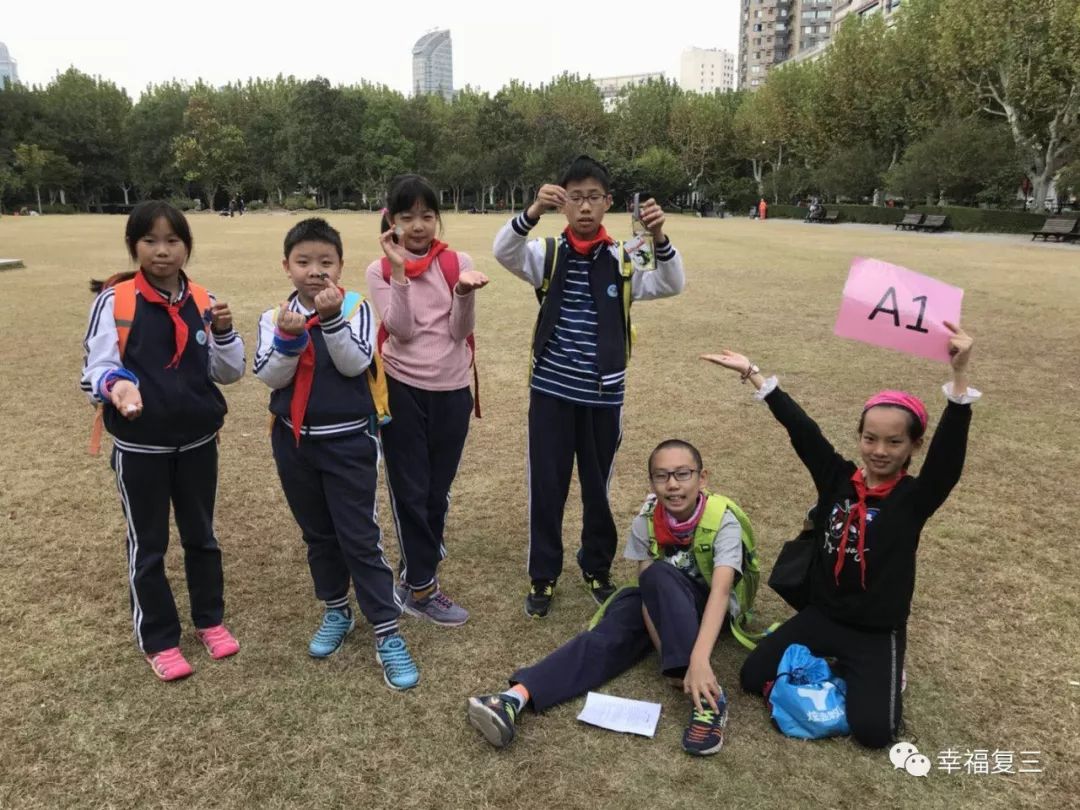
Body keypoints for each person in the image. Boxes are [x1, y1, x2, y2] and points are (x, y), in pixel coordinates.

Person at [699, 321, 977, 748]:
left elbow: (949, 459)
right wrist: (753, 372)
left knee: (874, 733)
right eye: (870, 438)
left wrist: (959, 378)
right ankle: (832, 661)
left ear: (914, 447)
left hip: (875, 630)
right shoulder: (837, 479)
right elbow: (803, 431)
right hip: (823, 615)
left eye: (894, 442)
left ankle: (883, 669)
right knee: (752, 677)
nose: (879, 451)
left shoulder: (915, 497)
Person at [493, 154, 685, 618]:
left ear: (608, 203)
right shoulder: (547, 253)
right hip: (551, 395)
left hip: (603, 397)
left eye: (593, 198)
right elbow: (504, 252)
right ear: (563, 203)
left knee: (597, 487)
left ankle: (596, 568)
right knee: (547, 486)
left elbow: (670, 282)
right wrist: (532, 211)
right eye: (575, 198)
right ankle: (543, 576)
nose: (584, 207)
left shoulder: (625, 255)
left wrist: (658, 236)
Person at [467, 439, 743, 756]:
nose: (672, 485)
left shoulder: (722, 519)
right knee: (607, 634)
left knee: (658, 575)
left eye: (683, 474)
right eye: (661, 476)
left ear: (702, 478)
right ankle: (513, 698)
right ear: (652, 482)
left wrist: (697, 661)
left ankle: (710, 700)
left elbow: (721, 593)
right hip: (660, 606)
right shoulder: (647, 519)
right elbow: (649, 593)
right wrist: (668, 655)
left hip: (707, 610)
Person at [81, 200, 245, 681]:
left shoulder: (202, 298)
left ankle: (210, 620)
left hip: (197, 442)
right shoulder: (116, 302)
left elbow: (228, 372)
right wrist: (119, 387)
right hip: (140, 447)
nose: (162, 251)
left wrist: (225, 331)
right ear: (134, 246)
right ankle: (158, 637)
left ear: (187, 246)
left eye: (172, 240)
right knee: (148, 544)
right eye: (150, 240)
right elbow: (94, 369)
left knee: (202, 537)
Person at [253, 217, 419, 690]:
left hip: (348, 442)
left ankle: (386, 630)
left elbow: (355, 362)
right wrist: (288, 338)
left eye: (325, 262)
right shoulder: (274, 316)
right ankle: (336, 610)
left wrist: (330, 320)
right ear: (287, 266)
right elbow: (269, 375)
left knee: (359, 536)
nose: (315, 271)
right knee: (318, 534)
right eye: (303, 262)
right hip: (294, 441)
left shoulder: (356, 307)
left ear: (340, 266)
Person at [366, 174, 489, 626]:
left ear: (438, 218)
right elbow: (401, 330)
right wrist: (398, 271)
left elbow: (460, 332)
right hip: (401, 388)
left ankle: (417, 570)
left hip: (453, 390)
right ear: (391, 222)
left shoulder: (458, 262)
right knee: (411, 491)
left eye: (427, 215)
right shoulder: (377, 271)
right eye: (406, 216)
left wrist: (462, 293)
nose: (418, 226)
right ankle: (421, 587)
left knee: (437, 491)